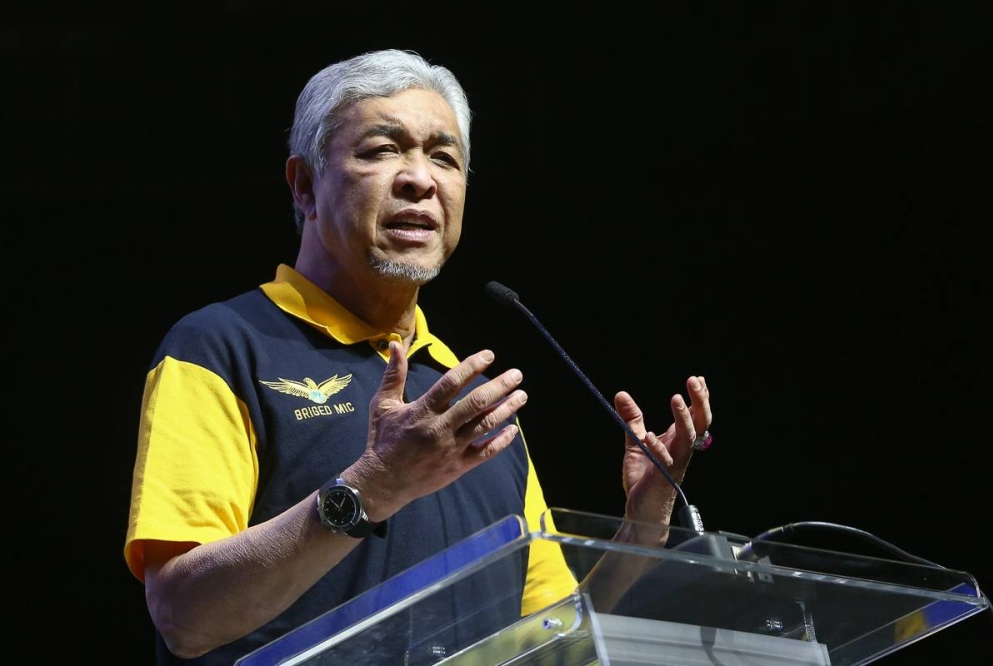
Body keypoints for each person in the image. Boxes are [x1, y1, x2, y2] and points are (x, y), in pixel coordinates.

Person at [124, 48, 713, 665]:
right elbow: (185, 618)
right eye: (381, 150)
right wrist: (372, 487)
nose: (420, 179)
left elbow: (552, 636)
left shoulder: (470, 399)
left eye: (444, 157)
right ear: (304, 186)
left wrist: (639, 535)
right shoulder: (223, 347)